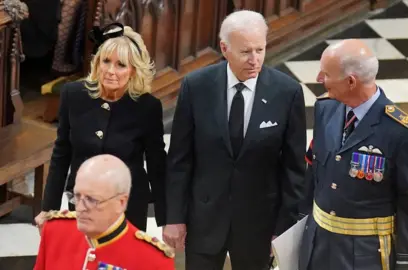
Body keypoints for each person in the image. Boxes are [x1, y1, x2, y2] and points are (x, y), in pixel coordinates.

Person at [163, 10, 307, 270]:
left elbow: (294, 169)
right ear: (224, 48)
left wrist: (284, 228)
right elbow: (179, 160)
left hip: (258, 226)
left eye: (260, 50)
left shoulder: (287, 92)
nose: (255, 60)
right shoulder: (196, 86)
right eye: (245, 52)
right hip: (204, 221)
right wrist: (174, 217)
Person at [299, 39, 408, 270]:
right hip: (317, 245)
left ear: (351, 81)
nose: (320, 79)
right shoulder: (325, 110)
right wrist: (296, 226)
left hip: (365, 255)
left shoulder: (403, 134)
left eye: (326, 74)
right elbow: (314, 173)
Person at [34, 22, 167, 231]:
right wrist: (48, 209)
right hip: (82, 203)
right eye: (106, 61)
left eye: (121, 65)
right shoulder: (73, 95)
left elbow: (157, 166)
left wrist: (166, 219)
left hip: (128, 206)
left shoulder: (147, 107)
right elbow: (61, 154)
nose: (111, 71)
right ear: (97, 63)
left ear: (133, 71)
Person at [34, 154, 175, 270]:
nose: (81, 208)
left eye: (92, 200)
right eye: (77, 196)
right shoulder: (55, 231)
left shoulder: (153, 261)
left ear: (121, 202)